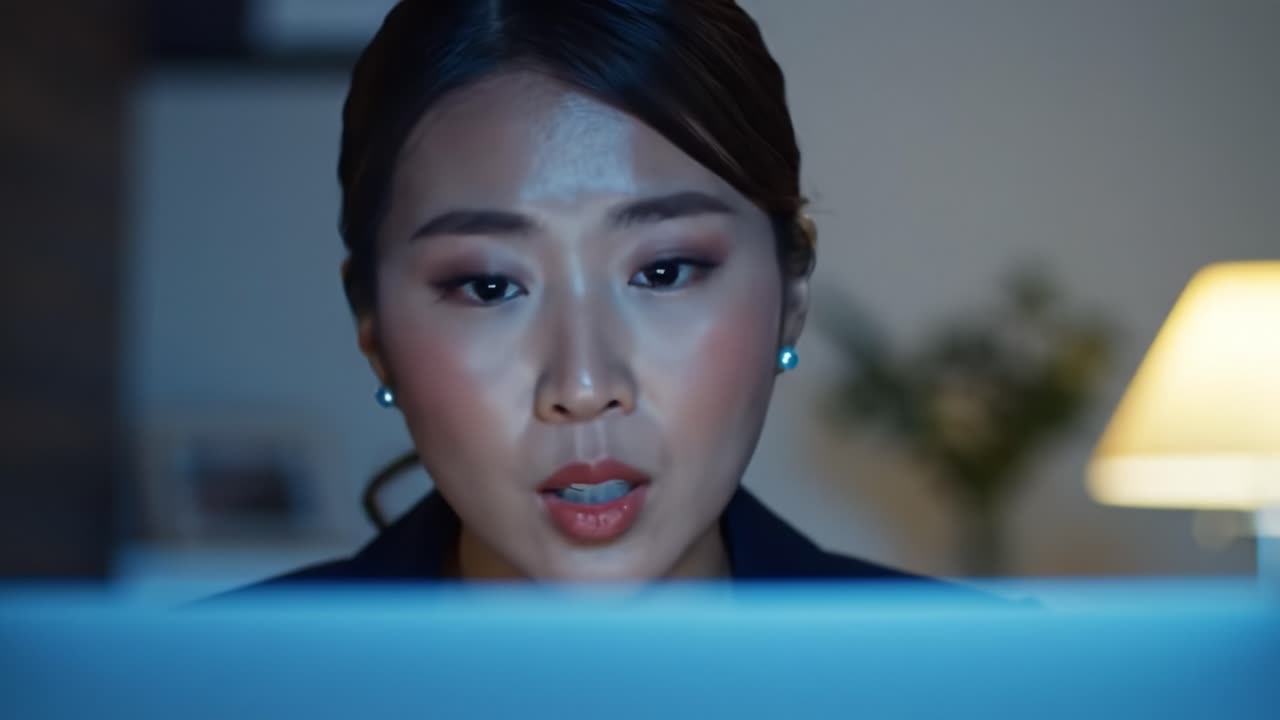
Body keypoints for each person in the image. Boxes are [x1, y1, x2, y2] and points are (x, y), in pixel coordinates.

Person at [268, 0, 927, 586]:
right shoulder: (217, 673)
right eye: (490, 287)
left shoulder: (964, 671)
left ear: (791, 293)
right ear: (372, 328)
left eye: (665, 272)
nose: (583, 388)